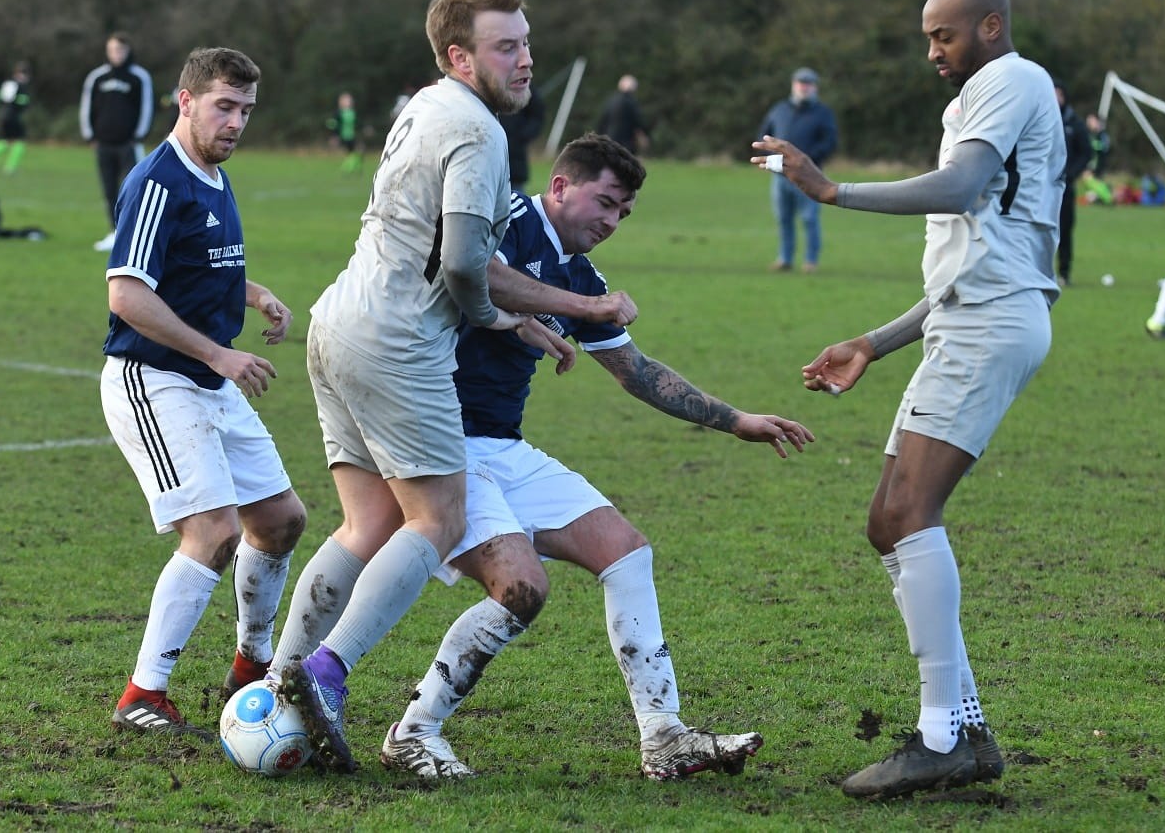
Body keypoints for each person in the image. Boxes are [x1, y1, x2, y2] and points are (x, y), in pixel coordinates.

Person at [271, 133, 812, 780]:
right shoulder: (499, 224)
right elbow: (460, 279)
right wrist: (537, 314)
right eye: (605, 202)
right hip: (438, 442)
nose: (611, 222)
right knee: (520, 587)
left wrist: (736, 420)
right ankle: (412, 729)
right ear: (560, 186)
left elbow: (636, 371)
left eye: (624, 213)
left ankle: (664, 736)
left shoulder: (579, 273)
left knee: (626, 550)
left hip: (503, 444)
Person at [277, 0, 636, 773]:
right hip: (398, 340)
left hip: (337, 320)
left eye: (527, 43)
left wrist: (507, 314)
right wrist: (566, 309)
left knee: (368, 525)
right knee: (435, 521)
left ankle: (273, 681)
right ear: (459, 55)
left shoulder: (424, 106)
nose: (526, 59)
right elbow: (468, 264)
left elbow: (457, 264)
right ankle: (324, 678)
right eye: (507, 46)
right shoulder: (479, 132)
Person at [753, 0, 1064, 799]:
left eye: (944, 35)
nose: (932, 50)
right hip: (970, 316)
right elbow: (974, 257)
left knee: (904, 516)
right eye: (928, 35)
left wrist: (831, 189)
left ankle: (943, 737)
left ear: (991, 27)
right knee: (886, 520)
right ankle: (960, 725)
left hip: (991, 324)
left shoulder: (1011, 79)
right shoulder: (983, 95)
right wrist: (876, 342)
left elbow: (962, 192)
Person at [100, 47, 307, 738]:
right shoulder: (160, 181)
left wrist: (253, 294)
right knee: (213, 530)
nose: (237, 122)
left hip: (205, 378)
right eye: (225, 105)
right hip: (153, 378)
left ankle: (251, 664)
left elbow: (195, 268)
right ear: (185, 101)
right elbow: (128, 294)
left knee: (280, 521)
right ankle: (143, 694)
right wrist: (219, 351)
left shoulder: (213, 174)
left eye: (246, 110)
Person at [757, 67, 838, 273]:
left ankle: (810, 260)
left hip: (810, 176)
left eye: (808, 83)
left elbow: (829, 142)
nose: (804, 87)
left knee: (809, 218)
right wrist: (770, 159)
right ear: (794, 85)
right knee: (783, 218)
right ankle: (785, 258)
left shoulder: (822, 113)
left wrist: (806, 160)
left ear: (814, 87)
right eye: (801, 83)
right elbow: (764, 136)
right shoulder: (779, 110)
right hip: (781, 176)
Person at [81, 32, 155, 253]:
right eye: (112, 49)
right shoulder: (97, 77)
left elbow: (146, 107)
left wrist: (138, 135)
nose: (117, 54)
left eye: (120, 49)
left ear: (128, 50)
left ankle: (133, 234)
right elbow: (87, 107)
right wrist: (90, 135)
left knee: (132, 189)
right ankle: (114, 232)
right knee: (109, 189)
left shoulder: (139, 77)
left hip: (128, 144)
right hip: (104, 143)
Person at [1052, 79, 1092, 285]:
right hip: (1041, 186)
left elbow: (1086, 153)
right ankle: (1038, 272)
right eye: (1053, 93)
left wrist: (1071, 173)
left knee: (1065, 229)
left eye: (1060, 93)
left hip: (1065, 187)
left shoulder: (1074, 123)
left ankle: (1064, 273)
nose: (1056, 98)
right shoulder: (1042, 120)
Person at [0, 61, 31, 175]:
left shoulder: (8, 83)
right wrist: (24, 101)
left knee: (7, 140)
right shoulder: (21, 85)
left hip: (3, 115)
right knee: (20, 141)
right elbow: (24, 101)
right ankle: (10, 168)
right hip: (13, 116)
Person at [499, 80, 544, 186]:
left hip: (515, 161)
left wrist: (522, 136)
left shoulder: (523, 85)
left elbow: (537, 115)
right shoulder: (485, 83)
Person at [597, 74, 651, 154]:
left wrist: (600, 138)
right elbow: (637, 122)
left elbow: (602, 121)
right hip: (627, 142)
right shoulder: (631, 102)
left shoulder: (611, 101)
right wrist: (644, 136)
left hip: (610, 139)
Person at [326, 91, 361, 174]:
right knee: (351, 152)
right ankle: (348, 167)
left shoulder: (353, 112)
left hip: (353, 135)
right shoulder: (338, 113)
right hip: (344, 136)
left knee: (354, 152)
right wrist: (334, 135)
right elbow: (334, 124)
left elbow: (358, 123)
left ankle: (352, 167)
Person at [1082, 112, 1113, 204]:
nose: (1089, 124)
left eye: (1091, 121)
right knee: (1090, 181)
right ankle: (1104, 197)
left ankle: (1108, 197)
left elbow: (1105, 147)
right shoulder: (1091, 134)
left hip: (1099, 163)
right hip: (1092, 162)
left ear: (1096, 121)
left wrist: (1093, 145)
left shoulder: (1102, 134)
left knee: (1088, 179)